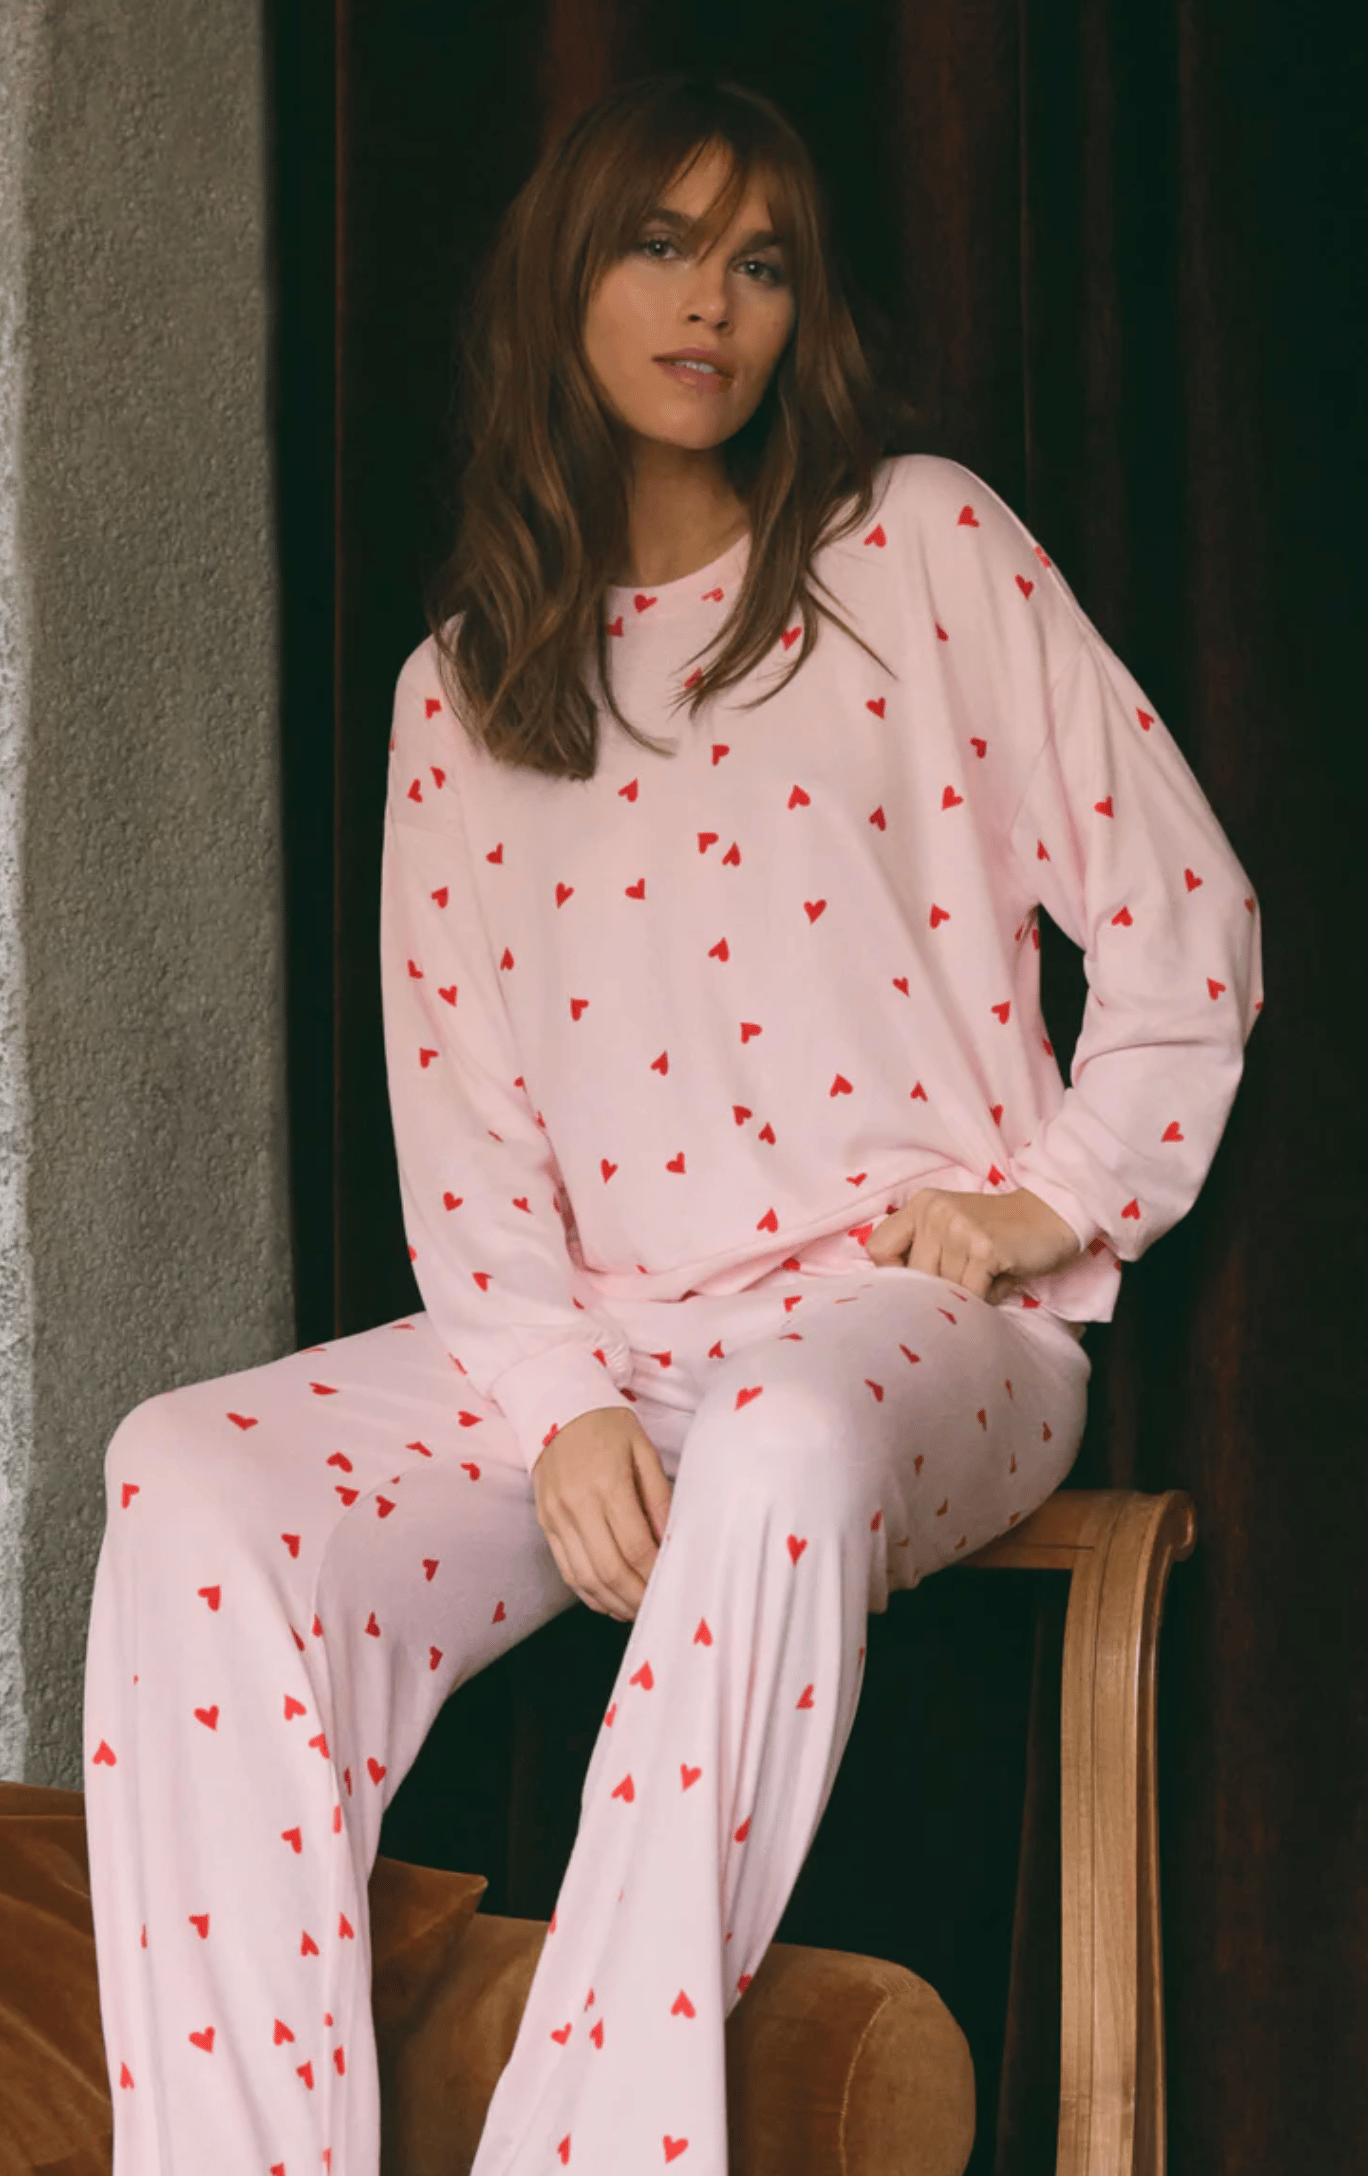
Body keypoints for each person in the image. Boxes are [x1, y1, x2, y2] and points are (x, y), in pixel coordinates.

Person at [82, 71, 1263, 2176]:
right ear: (566, 278)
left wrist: (1058, 1198)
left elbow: (1186, 916)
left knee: (784, 1429)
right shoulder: (458, 690)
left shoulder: (919, 548)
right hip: (592, 1344)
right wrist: (554, 1402)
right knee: (186, 1474)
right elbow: (466, 1139)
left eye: (760, 261)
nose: (713, 300)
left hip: (906, 1332)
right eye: (661, 244)